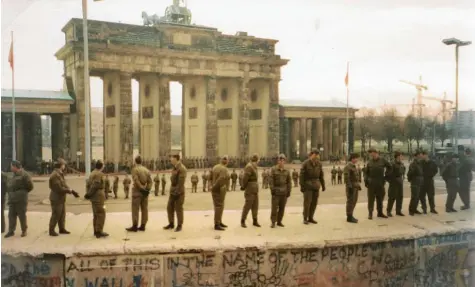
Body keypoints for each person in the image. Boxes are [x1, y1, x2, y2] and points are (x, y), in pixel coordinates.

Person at [48, 159, 78, 236]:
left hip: (61, 198)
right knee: (56, 214)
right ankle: (51, 230)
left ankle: (62, 229)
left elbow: (64, 184)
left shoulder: (60, 174)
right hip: (56, 198)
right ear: (60, 166)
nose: (64, 166)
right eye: (63, 165)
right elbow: (59, 188)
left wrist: (71, 190)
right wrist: (69, 191)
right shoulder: (55, 175)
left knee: (62, 214)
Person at [4, 161, 33, 238]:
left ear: (15, 166)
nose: (10, 168)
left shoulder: (24, 175)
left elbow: (30, 186)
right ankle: (11, 231)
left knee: (22, 215)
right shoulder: (12, 175)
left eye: (11, 166)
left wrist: (22, 193)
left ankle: (24, 230)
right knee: (11, 215)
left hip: (20, 200)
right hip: (12, 199)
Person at [126, 156, 152, 232]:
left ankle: (135, 226)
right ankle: (143, 225)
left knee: (135, 209)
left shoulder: (135, 169)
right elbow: (150, 182)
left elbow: (136, 180)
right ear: (141, 161)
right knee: (144, 209)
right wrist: (147, 189)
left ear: (135, 161)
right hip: (144, 193)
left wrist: (141, 188)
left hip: (137, 192)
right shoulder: (146, 170)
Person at [364, 148, 392, 219]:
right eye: (370, 153)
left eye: (371, 153)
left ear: (376, 153)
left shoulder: (383, 160)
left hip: (380, 182)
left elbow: (390, 167)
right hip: (372, 182)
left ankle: (380, 212)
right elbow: (366, 173)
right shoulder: (369, 162)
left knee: (380, 198)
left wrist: (386, 177)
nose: (370, 154)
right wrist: (366, 180)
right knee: (371, 199)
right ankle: (370, 213)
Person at [300, 149, 325, 225]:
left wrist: (323, 185)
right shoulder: (305, 163)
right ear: (311, 155)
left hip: (316, 186)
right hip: (308, 186)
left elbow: (321, 175)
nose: (316, 156)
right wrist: (302, 186)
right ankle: (305, 218)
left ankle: (311, 217)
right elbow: (301, 176)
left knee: (314, 203)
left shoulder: (319, 164)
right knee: (307, 203)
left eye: (317, 154)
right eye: (315, 154)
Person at [85, 160, 108, 238]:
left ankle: (96, 230)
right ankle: (99, 231)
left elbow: (88, 184)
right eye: (103, 165)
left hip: (94, 197)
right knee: (101, 213)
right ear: (101, 166)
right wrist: (89, 194)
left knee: (96, 214)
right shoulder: (99, 174)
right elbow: (95, 185)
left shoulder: (92, 173)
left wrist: (88, 194)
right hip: (98, 196)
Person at [163, 154, 187, 232]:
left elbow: (181, 183)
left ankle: (179, 225)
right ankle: (171, 223)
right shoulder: (175, 167)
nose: (170, 160)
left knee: (178, 208)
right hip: (173, 191)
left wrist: (177, 192)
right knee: (169, 207)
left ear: (176, 159)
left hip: (178, 192)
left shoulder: (181, 168)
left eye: (172, 159)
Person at [268, 154, 291, 228]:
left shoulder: (287, 171)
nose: (281, 162)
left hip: (284, 192)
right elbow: (271, 181)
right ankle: (273, 222)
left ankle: (279, 221)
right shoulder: (273, 169)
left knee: (282, 208)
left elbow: (289, 182)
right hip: (276, 192)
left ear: (284, 161)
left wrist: (288, 191)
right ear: (278, 161)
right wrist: (272, 190)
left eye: (283, 160)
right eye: (280, 160)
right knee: (274, 208)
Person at [241, 154, 261, 228]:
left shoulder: (254, 167)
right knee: (248, 205)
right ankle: (243, 220)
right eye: (258, 160)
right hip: (250, 188)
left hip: (255, 189)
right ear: (256, 159)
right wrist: (243, 186)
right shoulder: (249, 167)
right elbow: (245, 178)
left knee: (255, 205)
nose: (259, 161)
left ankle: (255, 220)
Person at [211, 156, 229, 231]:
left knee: (219, 206)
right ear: (227, 161)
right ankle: (217, 224)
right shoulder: (224, 169)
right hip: (219, 189)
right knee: (219, 207)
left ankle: (219, 221)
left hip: (215, 189)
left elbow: (210, 177)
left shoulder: (215, 167)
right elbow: (221, 179)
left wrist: (211, 186)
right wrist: (215, 187)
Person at [343, 153, 361, 223]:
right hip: (351, 187)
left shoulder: (353, 166)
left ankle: (351, 215)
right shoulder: (348, 166)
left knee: (354, 201)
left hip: (355, 186)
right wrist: (349, 187)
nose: (357, 160)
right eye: (356, 158)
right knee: (350, 202)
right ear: (353, 158)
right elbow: (346, 178)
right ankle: (349, 217)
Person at [387, 152, 405, 217]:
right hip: (394, 182)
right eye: (401, 156)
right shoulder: (392, 164)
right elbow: (388, 174)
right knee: (392, 197)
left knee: (400, 196)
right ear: (398, 156)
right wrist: (392, 181)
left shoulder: (402, 164)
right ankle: (388, 211)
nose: (402, 157)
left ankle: (398, 211)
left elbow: (403, 172)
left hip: (400, 181)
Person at [407, 150, 424, 216]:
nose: (421, 156)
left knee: (418, 197)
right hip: (415, 182)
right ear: (417, 156)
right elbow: (410, 173)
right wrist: (411, 180)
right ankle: (411, 210)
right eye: (420, 154)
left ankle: (415, 209)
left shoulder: (420, 163)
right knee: (414, 197)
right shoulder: (413, 164)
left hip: (419, 182)